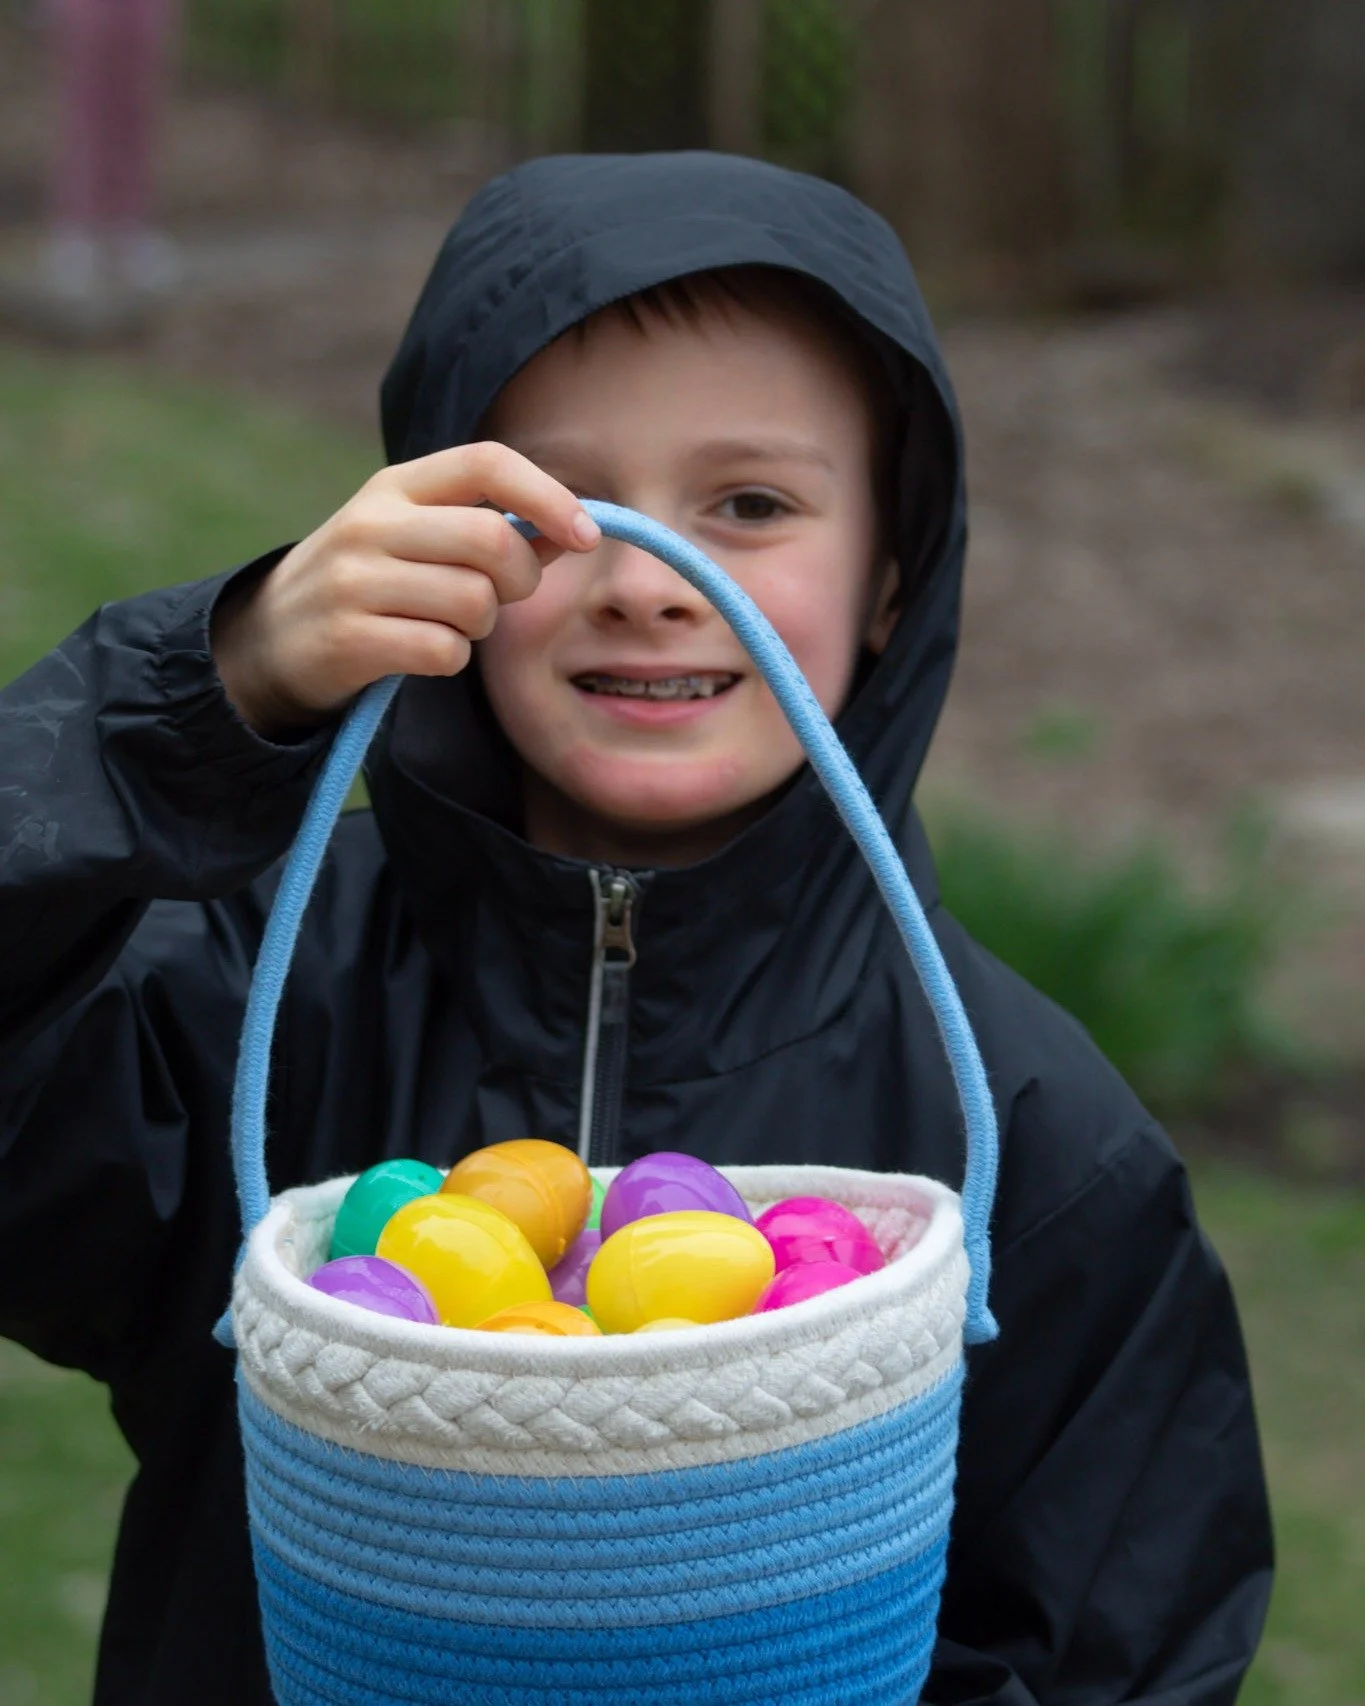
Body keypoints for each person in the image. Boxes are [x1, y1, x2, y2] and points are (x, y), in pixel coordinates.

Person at [0, 153, 1272, 1704]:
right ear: (426, 549)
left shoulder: (1031, 1138)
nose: (647, 583)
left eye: (749, 504)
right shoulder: (238, 1000)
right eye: (554, 506)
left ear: (891, 575)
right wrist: (212, 688)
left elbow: (1119, 1653)